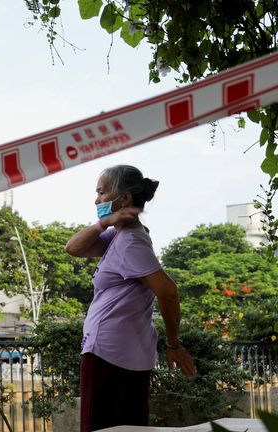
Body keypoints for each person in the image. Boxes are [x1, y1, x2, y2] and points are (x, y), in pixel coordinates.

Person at [65, 165, 196, 431]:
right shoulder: (118, 236)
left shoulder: (130, 242)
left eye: (102, 192)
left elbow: (168, 292)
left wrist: (173, 343)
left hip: (107, 355)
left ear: (124, 199)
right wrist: (105, 222)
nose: (96, 200)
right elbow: (73, 248)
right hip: (125, 353)